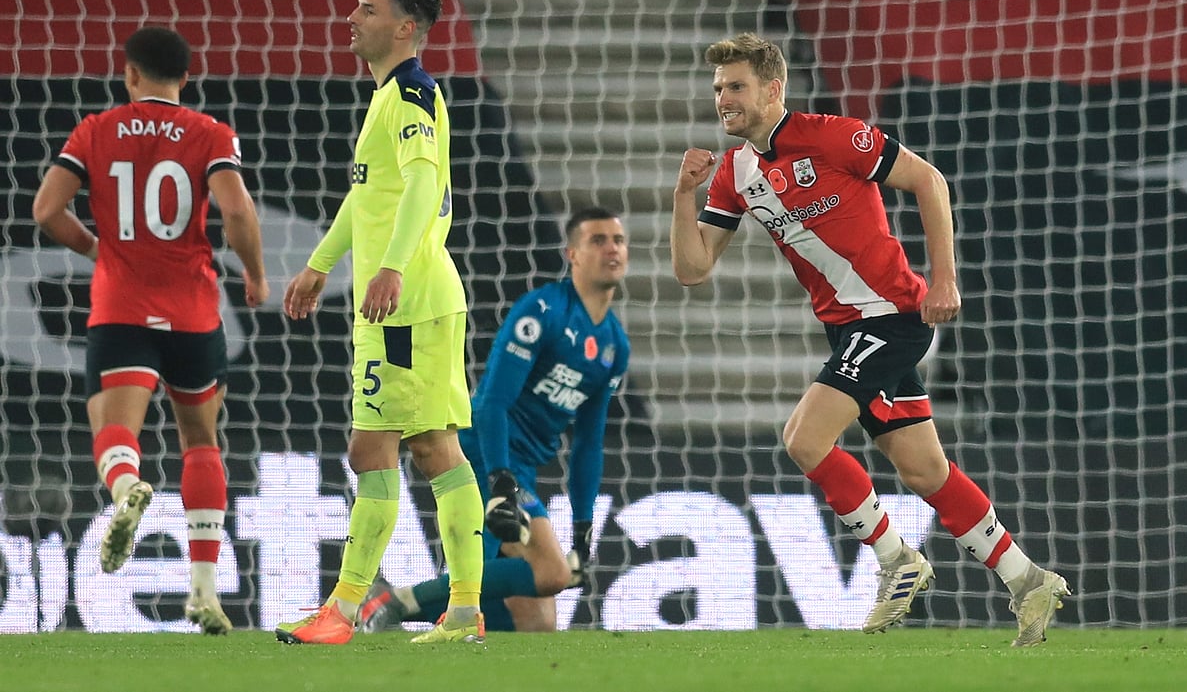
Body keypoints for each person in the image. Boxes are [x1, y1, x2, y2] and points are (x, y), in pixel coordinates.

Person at [670, 32, 1069, 647]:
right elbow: (693, 269)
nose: (724, 98)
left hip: (892, 316)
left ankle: (894, 560)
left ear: (773, 88)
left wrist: (942, 281)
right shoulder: (734, 172)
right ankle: (1027, 580)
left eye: (737, 86)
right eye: (719, 88)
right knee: (924, 470)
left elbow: (929, 181)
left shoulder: (833, 135)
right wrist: (682, 196)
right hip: (850, 329)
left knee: (804, 438)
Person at [32, 26, 269, 636]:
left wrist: (97, 249)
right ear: (185, 79)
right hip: (193, 308)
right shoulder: (209, 133)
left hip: (122, 304)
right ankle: (203, 593)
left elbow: (45, 209)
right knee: (201, 439)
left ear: (130, 73)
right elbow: (238, 209)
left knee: (112, 427)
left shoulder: (95, 129)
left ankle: (128, 486)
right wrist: (257, 277)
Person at [274, 0, 484, 646]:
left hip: (408, 302)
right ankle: (461, 611)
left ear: (403, 27)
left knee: (377, 448)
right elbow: (372, 199)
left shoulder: (414, 93)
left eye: (367, 9)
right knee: (432, 447)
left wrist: (389, 266)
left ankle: (344, 609)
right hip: (420, 299)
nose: (352, 18)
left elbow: (423, 188)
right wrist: (319, 263)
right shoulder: (387, 97)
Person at [359, 207, 631, 633]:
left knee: (538, 622)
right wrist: (502, 481)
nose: (612, 248)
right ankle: (394, 602)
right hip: (486, 454)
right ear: (573, 254)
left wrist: (582, 527)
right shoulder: (541, 312)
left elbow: (588, 445)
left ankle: (396, 608)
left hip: (517, 469)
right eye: (598, 240)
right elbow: (491, 404)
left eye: (618, 240)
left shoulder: (614, 345)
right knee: (549, 575)